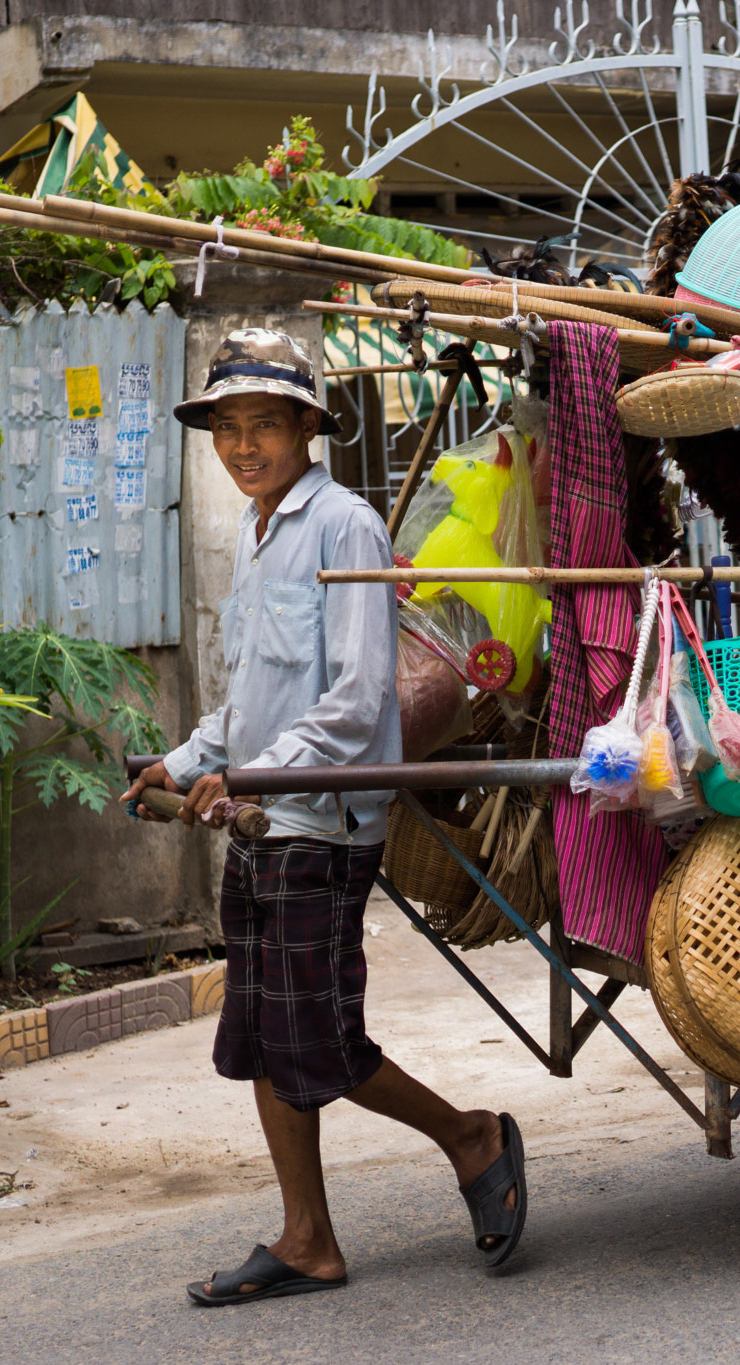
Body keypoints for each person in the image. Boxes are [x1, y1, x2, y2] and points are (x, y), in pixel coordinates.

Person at [123, 329, 525, 1305]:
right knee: (263, 1035)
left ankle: (470, 1137)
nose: (244, 443)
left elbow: (356, 699)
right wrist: (181, 762)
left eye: (265, 422)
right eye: (227, 426)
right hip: (260, 821)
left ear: (308, 426)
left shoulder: (340, 525)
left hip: (322, 822)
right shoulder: (260, 537)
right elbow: (249, 696)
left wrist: (254, 779)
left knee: (321, 1043)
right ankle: (307, 1239)